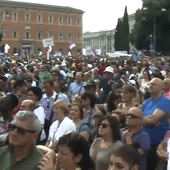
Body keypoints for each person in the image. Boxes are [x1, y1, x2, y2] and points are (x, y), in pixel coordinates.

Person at [141, 78, 170, 170]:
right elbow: (138, 120)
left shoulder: (165, 101)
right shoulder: (146, 102)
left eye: (154, 84)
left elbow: (152, 119)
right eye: (149, 84)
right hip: (144, 144)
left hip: (157, 146)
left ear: (161, 88)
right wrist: (147, 121)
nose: (150, 86)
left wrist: (148, 121)